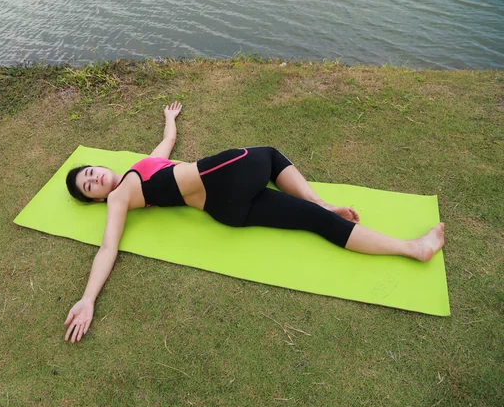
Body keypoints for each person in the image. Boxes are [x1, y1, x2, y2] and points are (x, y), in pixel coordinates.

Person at [63, 101, 445, 343]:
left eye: (92, 172)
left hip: (229, 209)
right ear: (95, 199)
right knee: (264, 153)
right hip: (220, 185)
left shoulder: (137, 167)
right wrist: (88, 298)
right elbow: (108, 247)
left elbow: (166, 145)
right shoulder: (120, 196)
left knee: (313, 220)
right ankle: (321, 202)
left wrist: (169, 119)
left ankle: (413, 248)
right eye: (89, 186)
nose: (96, 178)